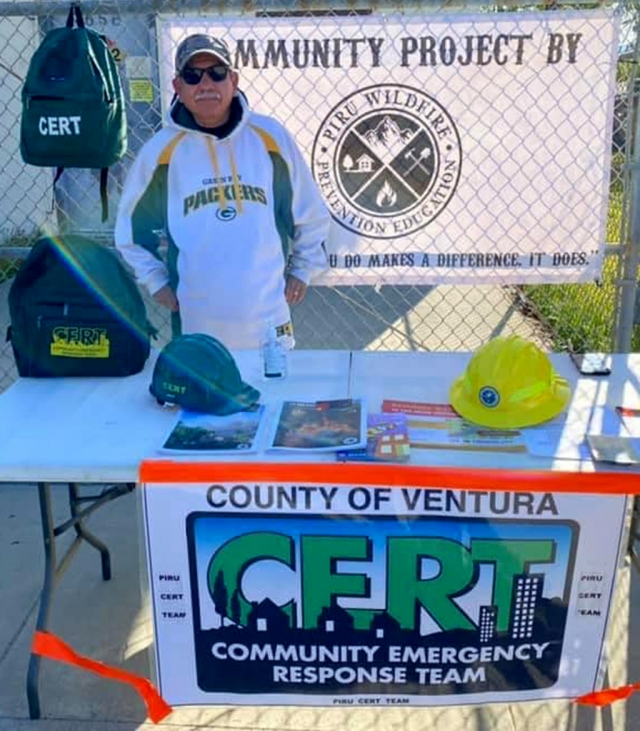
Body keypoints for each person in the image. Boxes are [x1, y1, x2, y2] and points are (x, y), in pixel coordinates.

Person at [115, 33, 329, 349]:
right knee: (203, 395)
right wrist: (155, 281)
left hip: (268, 315)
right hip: (197, 319)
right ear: (177, 86)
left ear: (233, 79)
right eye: (192, 75)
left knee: (273, 390)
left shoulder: (269, 138)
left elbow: (307, 211)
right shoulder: (161, 153)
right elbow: (130, 230)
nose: (206, 84)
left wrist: (302, 269)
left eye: (216, 73)